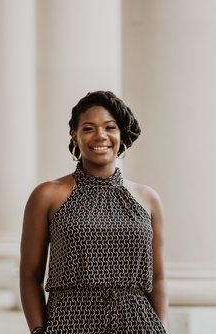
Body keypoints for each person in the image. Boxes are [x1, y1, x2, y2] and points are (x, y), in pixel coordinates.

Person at [19, 91, 168, 334]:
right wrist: (38, 331)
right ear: (74, 137)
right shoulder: (48, 195)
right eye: (88, 128)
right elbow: (29, 275)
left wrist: (161, 328)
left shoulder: (147, 199)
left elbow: (158, 279)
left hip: (139, 324)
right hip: (70, 323)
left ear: (121, 135)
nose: (101, 135)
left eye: (110, 127)